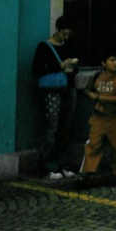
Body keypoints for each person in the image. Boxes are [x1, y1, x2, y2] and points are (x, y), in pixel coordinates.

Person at [32, 16, 79, 180]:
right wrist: (60, 66)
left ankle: (62, 165)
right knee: (51, 127)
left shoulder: (69, 46)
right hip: (51, 92)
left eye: (68, 34)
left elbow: (76, 69)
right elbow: (37, 69)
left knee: (66, 128)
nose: (66, 37)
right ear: (57, 30)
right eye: (64, 33)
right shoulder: (44, 47)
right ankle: (46, 167)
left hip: (68, 89)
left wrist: (72, 66)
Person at [80, 50, 116, 182]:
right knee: (93, 144)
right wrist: (91, 95)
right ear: (104, 63)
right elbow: (87, 89)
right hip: (99, 117)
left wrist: (102, 98)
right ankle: (88, 173)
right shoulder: (97, 76)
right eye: (112, 60)